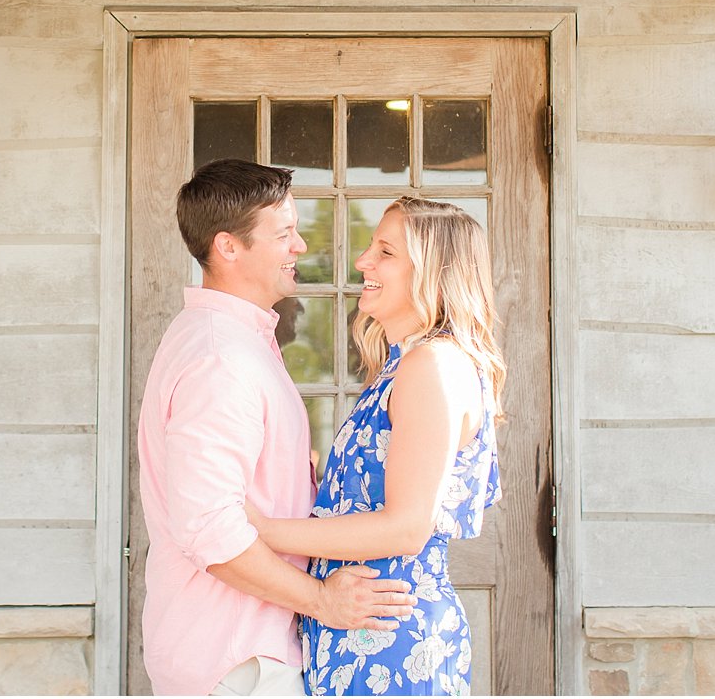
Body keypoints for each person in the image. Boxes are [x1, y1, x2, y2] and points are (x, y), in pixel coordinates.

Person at [138, 159, 417, 697]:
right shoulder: (220, 358)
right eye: (284, 233)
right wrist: (322, 600)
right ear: (228, 247)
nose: (300, 248)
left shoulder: (236, 341)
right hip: (238, 662)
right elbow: (211, 530)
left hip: (245, 654)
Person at [246, 197, 504, 697]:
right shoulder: (402, 364)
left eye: (385, 252)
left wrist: (265, 531)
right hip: (362, 629)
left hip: (390, 639)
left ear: (432, 270)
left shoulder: (432, 365)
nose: (363, 261)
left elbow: (406, 528)